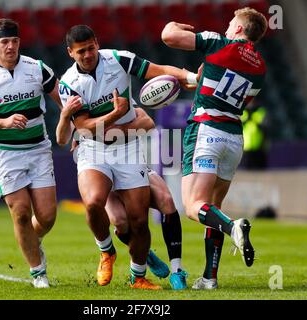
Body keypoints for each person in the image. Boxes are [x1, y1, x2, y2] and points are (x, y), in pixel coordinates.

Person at [58, 25, 197, 290]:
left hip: (128, 148)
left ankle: (138, 276)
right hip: (93, 149)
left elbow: (159, 70)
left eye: (90, 48)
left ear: (97, 43)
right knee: (93, 203)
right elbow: (85, 127)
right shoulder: (69, 84)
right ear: (70, 53)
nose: (87, 55)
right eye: (80, 52)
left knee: (138, 220)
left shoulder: (119, 59)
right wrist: (116, 113)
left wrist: (190, 77)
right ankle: (106, 250)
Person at [161, 7, 268, 289]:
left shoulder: (220, 43)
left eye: (231, 24)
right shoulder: (260, 67)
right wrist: (202, 80)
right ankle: (209, 278)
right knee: (213, 208)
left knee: (193, 206)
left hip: (207, 131)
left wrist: (176, 23)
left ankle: (234, 227)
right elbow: (239, 101)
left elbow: (168, 36)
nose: (227, 27)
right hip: (234, 138)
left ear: (240, 30)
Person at [0, 18, 62, 288]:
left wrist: (77, 128)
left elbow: (64, 101)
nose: (10, 46)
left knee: (47, 216)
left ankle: (33, 239)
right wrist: (2, 122)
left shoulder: (37, 68)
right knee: (20, 212)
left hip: (39, 148)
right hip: (7, 153)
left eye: (15, 41)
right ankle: (38, 273)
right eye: (4, 42)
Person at [57, 104, 188, 290]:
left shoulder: (118, 94)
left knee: (166, 201)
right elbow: (64, 137)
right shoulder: (79, 100)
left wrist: (119, 129)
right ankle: (141, 254)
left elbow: (147, 121)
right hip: (101, 168)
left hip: (128, 161)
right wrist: (72, 123)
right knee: (120, 221)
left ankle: (177, 271)